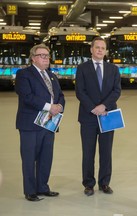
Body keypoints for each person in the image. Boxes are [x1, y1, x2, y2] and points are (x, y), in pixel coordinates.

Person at [15, 43, 65, 202]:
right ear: (33, 58)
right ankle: (30, 191)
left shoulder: (52, 75)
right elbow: (27, 96)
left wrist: (59, 106)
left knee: (46, 157)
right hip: (30, 124)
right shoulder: (24, 74)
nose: (46, 59)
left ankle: (43, 187)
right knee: (29, 158)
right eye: (42, 56)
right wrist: (50, 107)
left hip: (49, 123)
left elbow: (60, 95)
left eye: (47, 56)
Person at [75, 37, 121, 196]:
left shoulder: (113, 69)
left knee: (106, 151)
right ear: (91, 49)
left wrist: (104, 106)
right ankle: (88, 184)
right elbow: (80, 92)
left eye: (103, 48)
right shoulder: (82, 68)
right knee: (88, 152)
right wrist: (93, 108)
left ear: (106, 50)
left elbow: (116, 91)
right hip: (88, 117)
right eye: (97, 47)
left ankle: (104, 183)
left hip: (107, 116)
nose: (100, 50)